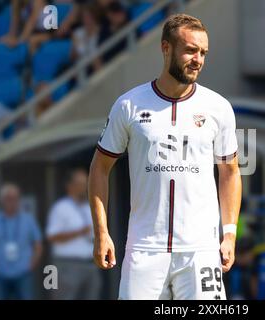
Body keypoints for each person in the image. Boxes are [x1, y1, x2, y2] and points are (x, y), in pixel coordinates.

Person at [88, 13, 242, 300]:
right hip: (145, 247)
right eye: (190, 50)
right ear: (165, 48)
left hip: (201, 250)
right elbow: (99, 168)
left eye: (203, 53)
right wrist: (101, 232)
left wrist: (230, 233)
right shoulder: (128, 105)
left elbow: (230, 171)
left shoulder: (218, 108)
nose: (198, 59)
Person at [0, 183, 43, 300]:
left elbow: (38, 244)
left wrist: (32, 264)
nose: (12, 202)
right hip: (0, 272)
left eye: (15, 198)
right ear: (2, 200)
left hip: (23, 271)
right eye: (8, 198)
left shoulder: (28, 220)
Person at [46, 168, 101, 300]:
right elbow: (52, 237)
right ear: (70, 186)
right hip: (67, 266)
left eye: (86, 183)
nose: (84, 187)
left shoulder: (90, 207)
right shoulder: (61, 208)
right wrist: (79, 232)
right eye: (80, 183)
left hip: (90, 264)